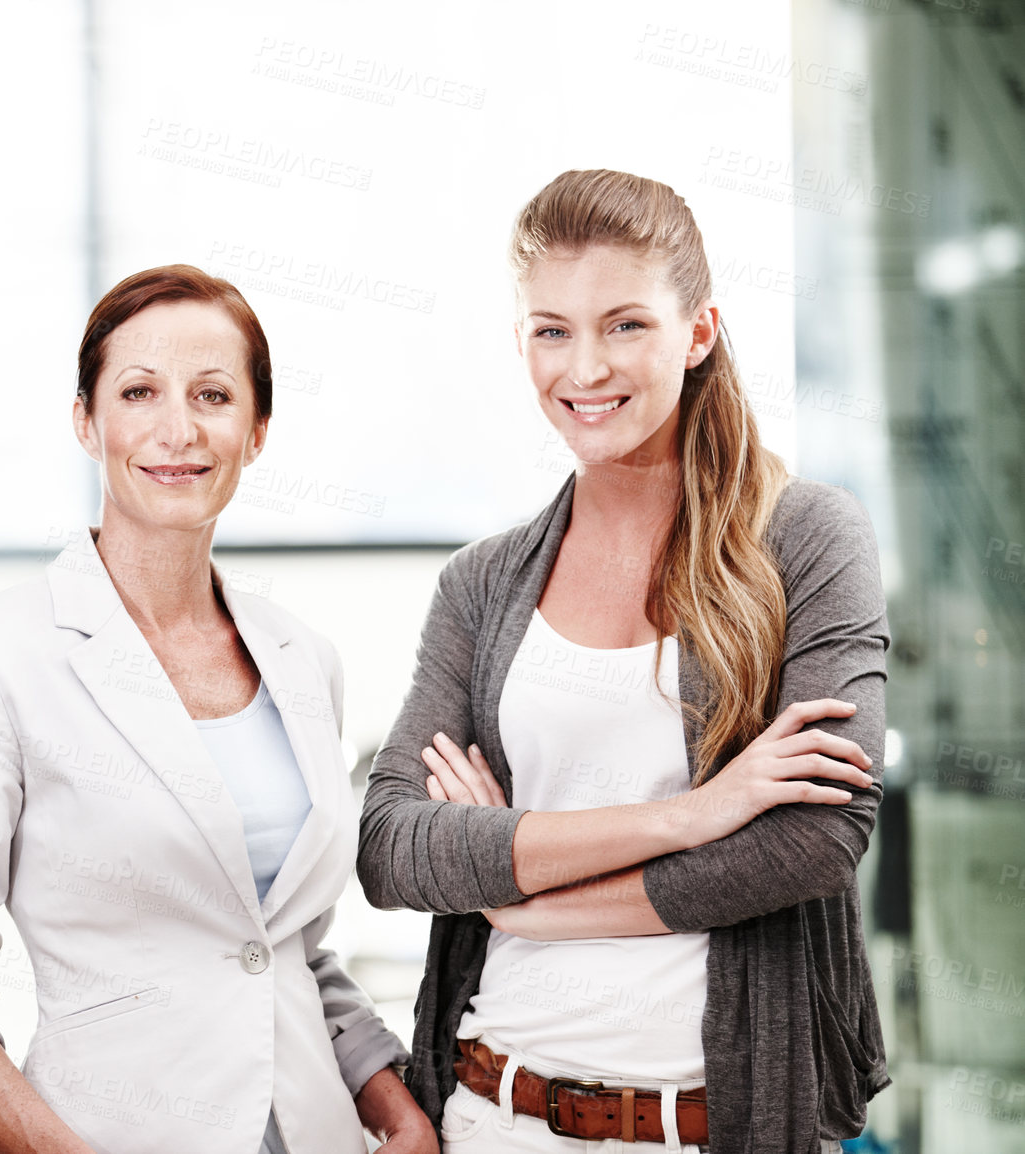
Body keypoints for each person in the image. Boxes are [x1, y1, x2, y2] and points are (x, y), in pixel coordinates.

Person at [358, 170, 889, 1154]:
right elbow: (391, 844)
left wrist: (522, 900)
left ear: (697, 333)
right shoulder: (481, 583)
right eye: (550, 329)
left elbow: (815, 838)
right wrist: (692, 813)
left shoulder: (808, 538)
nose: (585, 365)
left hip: (711, 1121)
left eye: (625, 324)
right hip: (491, 1107)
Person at [0, 265, 434, 1154]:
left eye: (213, 394)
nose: (179, 429)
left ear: (256, 432)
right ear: (86, 422)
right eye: (140, 391)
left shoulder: (303, 660)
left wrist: (394, 1106)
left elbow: (288, 952)